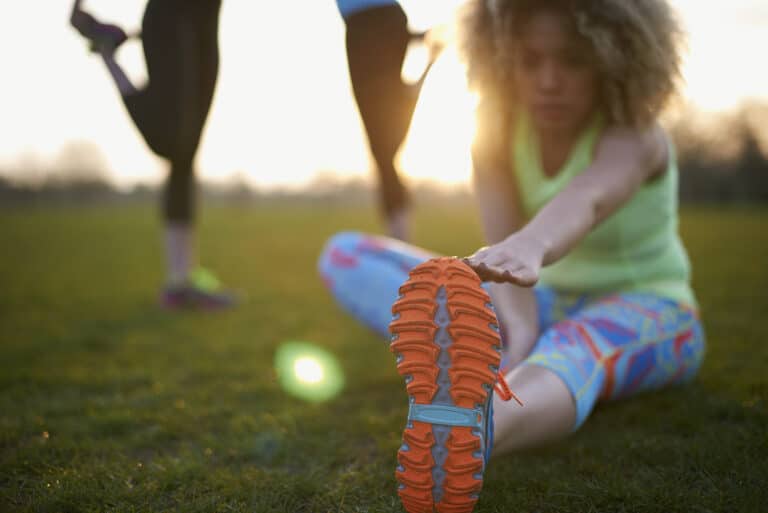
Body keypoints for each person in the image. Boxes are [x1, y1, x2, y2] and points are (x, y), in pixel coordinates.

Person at [318, 0, 705, 511]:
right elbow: (505, 262)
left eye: (571, 60)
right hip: (541, 300)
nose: (548, 80)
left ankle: (473, 431)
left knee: (575, 347)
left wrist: (531, 245)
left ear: (614, 58)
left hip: (650, 309)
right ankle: (497, 363)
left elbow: (587, 198)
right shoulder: (495, 128)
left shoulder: (635, 134)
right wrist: (518, 331)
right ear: (502, 59)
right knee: (346, 253)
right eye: (530, 60)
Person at [70, 0, 234, 309]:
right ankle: (178, 283)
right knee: (173, 144)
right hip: (173, 15)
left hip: (206, 22)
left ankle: (184, 279)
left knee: (186, 153)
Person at [336, 0, 443, 241]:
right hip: (382, 22)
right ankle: (398, 235)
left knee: (383, 154)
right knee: (384, 153)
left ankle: (399, 237)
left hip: (367, 24)